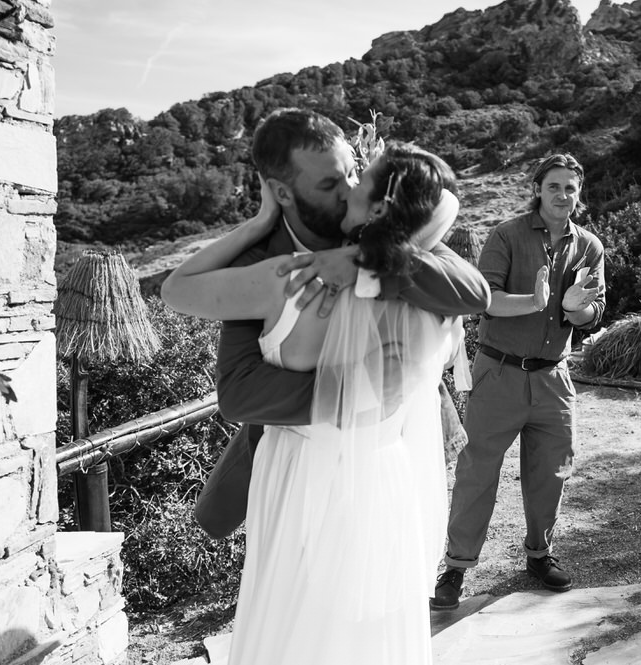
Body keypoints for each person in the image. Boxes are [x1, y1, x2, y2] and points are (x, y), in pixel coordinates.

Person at [163, 140, 472, 663]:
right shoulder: (429, 297)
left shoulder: (294, 276)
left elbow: (177, 290)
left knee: (294, 625)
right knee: (364, 631)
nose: (349, 187)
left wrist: (261, 223)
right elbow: (469, 282)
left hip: (300, 468)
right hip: (382, 472)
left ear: (378, 208)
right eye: (339, 178)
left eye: (358, 176)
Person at [184, 108, 489, 540]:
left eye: (353, 175)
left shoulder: (387, 239)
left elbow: (474, 289)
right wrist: (357, 389)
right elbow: (238, 392)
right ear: (282, 193)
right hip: (299, 474)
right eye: (330, 184)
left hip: (387, 462)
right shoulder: (260, 263)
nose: (348, 191)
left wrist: (367, 259)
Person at [431, 153, 606, 610]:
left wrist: (572, 309)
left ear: (578, 192)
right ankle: (455, 567)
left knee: (551, 471)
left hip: (554, 378)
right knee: (477, 472)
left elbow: (592, 313)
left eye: (571, 187)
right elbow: (485, 302)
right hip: (499, 372)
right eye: (554, 186)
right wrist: (536, 300)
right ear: (538, 189)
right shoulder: (506, 235)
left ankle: (539, 555)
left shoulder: (590, 247)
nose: (563, 195)